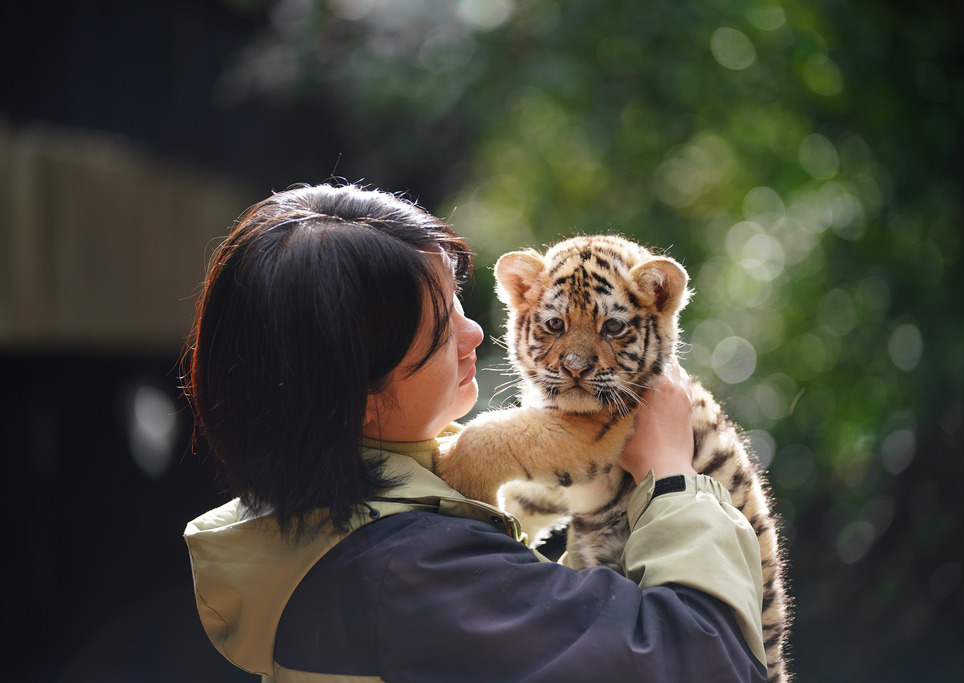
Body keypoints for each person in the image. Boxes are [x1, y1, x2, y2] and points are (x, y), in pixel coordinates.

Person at [182, 183, 767, 682]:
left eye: (460, 300)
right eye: (440, 328)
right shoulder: (411, 573)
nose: (476, 335)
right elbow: (708, 662)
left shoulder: (341, 527)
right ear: (349, 390)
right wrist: (670, 476)